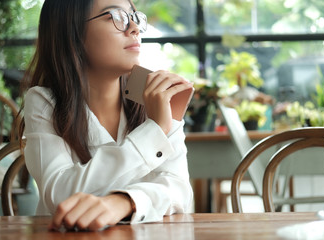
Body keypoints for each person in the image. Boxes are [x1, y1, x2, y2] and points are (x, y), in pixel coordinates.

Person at [19, 0, 194, 232]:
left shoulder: (157, 95)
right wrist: (154, 131)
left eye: (134, 16)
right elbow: (59, 194)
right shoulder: (44, 102)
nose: (134, 28)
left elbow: (179, 191)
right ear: (73, 33)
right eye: (116, 16)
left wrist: (124, 202)